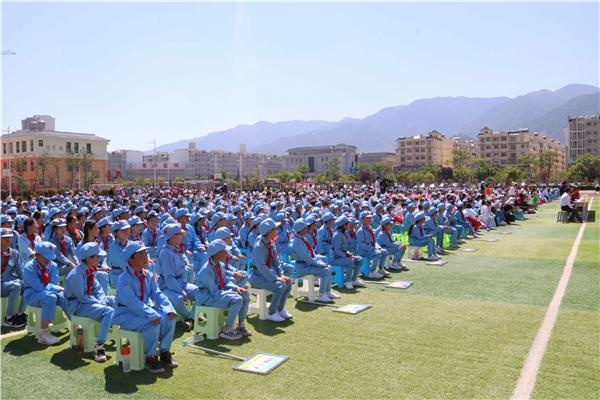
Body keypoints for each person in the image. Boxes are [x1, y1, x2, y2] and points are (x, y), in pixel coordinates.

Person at [112, 242, 177, 374]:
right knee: (152, 322)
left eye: (146, 253)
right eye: (140, 254)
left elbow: (157, 294)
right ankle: (151, 357)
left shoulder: (147, 274)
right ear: (131, 260)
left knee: (170, 317)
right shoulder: (124, 279)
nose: (145, 257)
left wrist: (168, 308)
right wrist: (152, 314)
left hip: (142, 311)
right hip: (126, 314)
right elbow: (132, 302)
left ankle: (164, 351)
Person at [64, 243, 116, 362]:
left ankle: (118, 331)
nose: (100, 259)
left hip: (88, 301)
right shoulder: (76, 274)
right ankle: (99, 346)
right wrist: (99, 302)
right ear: (88, 259)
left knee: (114, 301)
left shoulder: (89, 270)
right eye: (97, 257)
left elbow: (97, 289)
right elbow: (81, 297)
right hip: (78, 305)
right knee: (108, 311)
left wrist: (101, 300)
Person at [196, 239, 251, 339]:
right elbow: (215, 292)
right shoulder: (206, 270)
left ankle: (241, 325)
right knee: (237, 299)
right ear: (217, 253)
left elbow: (225, 281)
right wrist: (231, 292)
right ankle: (227, 330)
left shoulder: (219, 264)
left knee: (245, 295)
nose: (227, 253)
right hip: (208, 297)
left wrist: (237, 287)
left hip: (216, 293)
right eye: (225, 251)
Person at [22, 241, 72, 345]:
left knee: (63, 295)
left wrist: (59, 289)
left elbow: (54, 282)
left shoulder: (52, 265)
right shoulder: (28, 267)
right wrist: (58, 288)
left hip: (48, 292)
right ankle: (43, 333)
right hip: (32, 294)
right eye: (45, 257)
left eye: (49, 257)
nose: (48, 260)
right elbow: (38, 287)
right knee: (51, 296)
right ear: (37, 255)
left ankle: (75, 323)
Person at [248, 218, 293, 322]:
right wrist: (276, 278)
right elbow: (261, 267)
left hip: (266, 273)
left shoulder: (269, 241)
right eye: (274, 229)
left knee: (288, 283)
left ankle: (280, 309)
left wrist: (281, 275)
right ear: (269, 231)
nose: (277, 230)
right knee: (279, 286)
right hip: (257, 276)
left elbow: (276, 260)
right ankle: (271, 313)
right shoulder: (259, 246)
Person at [157, 223, 200, 331]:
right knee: (179, 299)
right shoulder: (166, 253)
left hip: (180, 283)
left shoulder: (176, 249)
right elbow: (169, 278)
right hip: (167, 286)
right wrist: (181, 291)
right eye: (179, 234)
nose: (182, 236)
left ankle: (190, 318)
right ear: (172, 236)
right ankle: (190, 316)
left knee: (201, 293)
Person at [290, 219, 339, 302]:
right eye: (305, 228)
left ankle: (327, 292)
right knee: (325, 271)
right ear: (301, 230)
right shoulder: (297, 242)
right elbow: (307, 258)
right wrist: (320, 264)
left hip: (307, 264)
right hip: (303, 267)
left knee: (328, 268)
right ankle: (321, 295)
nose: (307, 229)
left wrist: (320, 262)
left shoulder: (301, 238)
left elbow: (311, 254)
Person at [330, 216, 365, 289]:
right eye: (348, 223)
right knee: (350, 261)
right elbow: (337, 250)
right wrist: (346, 255)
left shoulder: (343, 233)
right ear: (344, 225)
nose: (349, 225)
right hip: (335, 258)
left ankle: (354, 280)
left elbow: (344, 249)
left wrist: (348, 253)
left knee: (359, 259)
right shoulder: (337, 235)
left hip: (341, 256)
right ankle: (348, 281)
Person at [1, 228, 27, 328]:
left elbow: (20, 270)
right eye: (4, 238)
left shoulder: (14, 253)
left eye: (10, 238)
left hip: (8, 282)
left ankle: (20, 314)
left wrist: (25, 281)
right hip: (3, 283)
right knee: (16, 286)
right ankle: (9, 318)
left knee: (26, 285)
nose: (8, 240)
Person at [356, 211, 389, 279]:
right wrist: (373, 248)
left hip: (370, 249)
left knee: (385, 251)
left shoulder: (369, 228)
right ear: (362, 219)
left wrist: (377, 247)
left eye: (370, 218)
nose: (369, 219)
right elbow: (362, 245)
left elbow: (374, 241)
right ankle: (372, 271)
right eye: (367, 218)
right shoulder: (360, 231)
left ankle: (380, 269)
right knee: (377, 253)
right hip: (363, 251)